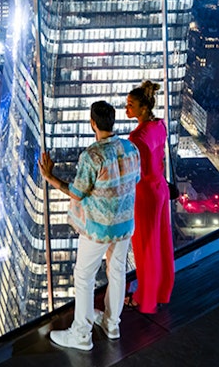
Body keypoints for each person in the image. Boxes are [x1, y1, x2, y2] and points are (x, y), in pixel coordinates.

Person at [39, 100, 141, 350]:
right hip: (125, 224)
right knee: (117, 272)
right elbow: (134, 180)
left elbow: (77, 192)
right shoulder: (130, 149)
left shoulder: (92, 156)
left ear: (92, 123)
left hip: (98, 228)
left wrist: (49, 176)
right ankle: (112, 324)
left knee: (83, 276)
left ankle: (81, 334)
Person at [126, 80, 175, 313]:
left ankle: (143, 298)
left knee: (145, 247)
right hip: (161, 188)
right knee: (162, 242)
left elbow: (136, 173)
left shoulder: (136, 138)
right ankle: (162, 290)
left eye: (131, 104)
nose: (127, 109)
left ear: (143, 108)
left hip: (145, 193)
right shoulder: (160, 126)